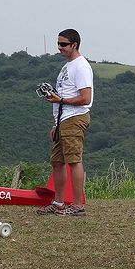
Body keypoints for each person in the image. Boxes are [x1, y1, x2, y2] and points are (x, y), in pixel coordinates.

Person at [36, 29, 93, 217]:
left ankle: (77, 206)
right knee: (57, 162)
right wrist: (56, 123)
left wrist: (60, 101)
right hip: (63, 119)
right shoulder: (67, 66)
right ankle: (58, 202)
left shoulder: (80, 66)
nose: (59, 48)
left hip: (74, 118)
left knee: (74, 160)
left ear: (74, 45)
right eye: (58, 44)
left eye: (63, 44)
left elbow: (85, 98)